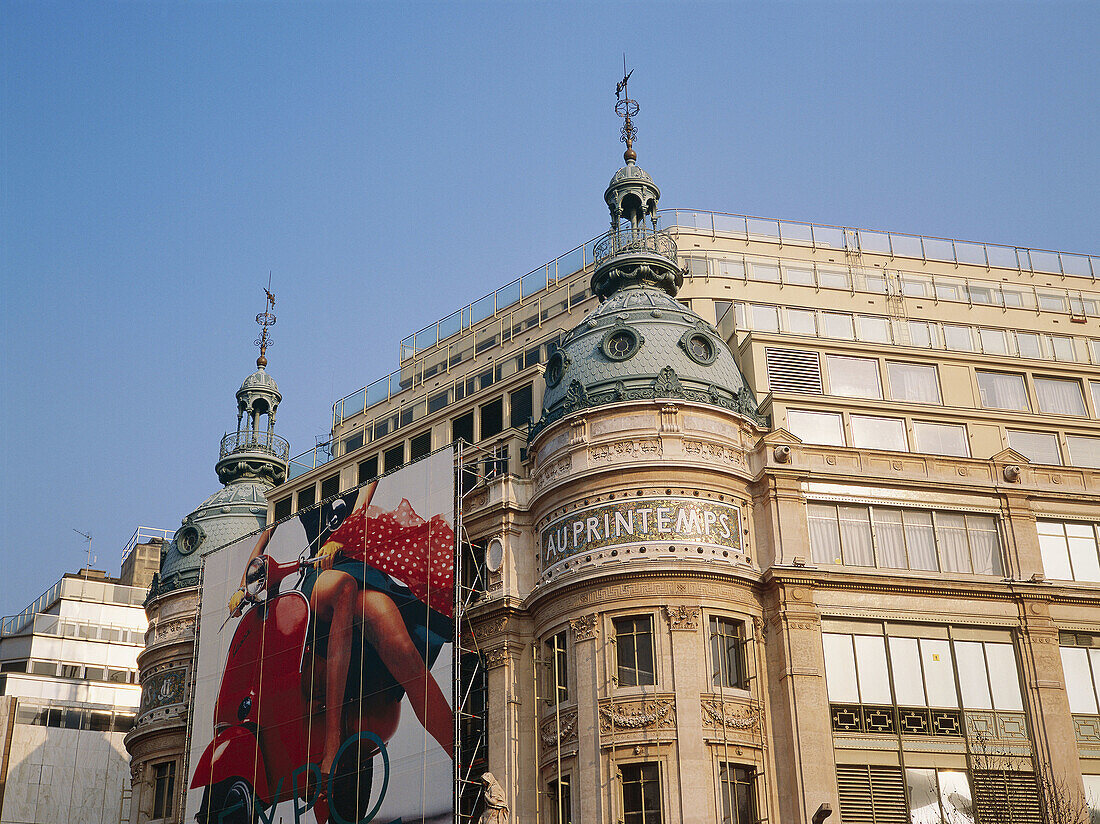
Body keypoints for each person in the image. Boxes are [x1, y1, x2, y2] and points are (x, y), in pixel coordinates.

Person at [229, 480, 454, 788]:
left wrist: (342, 537)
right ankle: (332, 740)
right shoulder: (301, 483)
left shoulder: (365, 464)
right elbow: (265, 534)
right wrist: (244, 585)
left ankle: (462, 758)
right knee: (343, 589)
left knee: (404, 651)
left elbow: (361, 507)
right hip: (318, 574)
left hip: (355, 563)